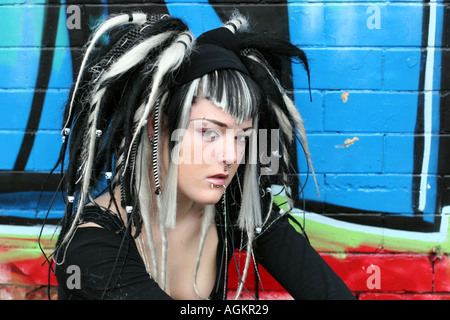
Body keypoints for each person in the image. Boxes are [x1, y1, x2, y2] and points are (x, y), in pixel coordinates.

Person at [49, 11, 355, 300]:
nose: (230, 155)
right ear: (158, 128)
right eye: (209, 132)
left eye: (242, 137)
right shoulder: (91, 246)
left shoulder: (231, 204)